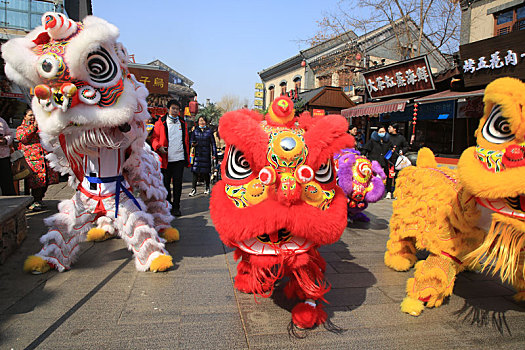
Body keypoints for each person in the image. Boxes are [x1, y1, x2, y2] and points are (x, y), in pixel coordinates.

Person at [151, 100, 190, 217]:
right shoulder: (161, 123)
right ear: (168, 109)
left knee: (178, 184)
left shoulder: (183, 123)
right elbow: (154, 139)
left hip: (179, 158)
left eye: (177, 109)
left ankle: (176, 207)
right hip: (165, 160)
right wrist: (159, 147)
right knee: (166, 185)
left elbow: (186, 141)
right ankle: (168, 205)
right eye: (173, 108)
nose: (175, 111)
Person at [16, 109, 58, 210]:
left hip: (44, 158)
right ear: (25, 117)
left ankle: (39, 199)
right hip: (32, 160)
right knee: (36, 181)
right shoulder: (22, 128)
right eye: (30, 115)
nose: (33, 117)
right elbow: (23, 138)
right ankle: (34, 200)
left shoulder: (41, 126)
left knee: (47, 180)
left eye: (34, 115)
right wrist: (33, 127)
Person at [362, 126, 393, 197]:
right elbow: (365, 149)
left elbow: (391, 150)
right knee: (372, 178)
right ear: (377, 132)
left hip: (384, 162)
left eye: (383, 132)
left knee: (384, 178)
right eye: (380, 132)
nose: (382, 133)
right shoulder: (372, 141)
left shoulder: (388, 142)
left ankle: (386, 192)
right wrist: (363, 155)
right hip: (374, 162)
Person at [189, 116, 217, 196]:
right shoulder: (195, 131)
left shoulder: (209, 131)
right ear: (198, 122)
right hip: (197, 154)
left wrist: (214, 154)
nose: (202, 122)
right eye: (200, 120)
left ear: (206, 122)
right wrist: (192, 143)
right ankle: (193, 189)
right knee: (195, 171)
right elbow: (191, 140)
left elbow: (213, 144)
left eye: (203, 120)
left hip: (206, 154)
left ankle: (207, 187)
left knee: (206, 172)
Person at [387, 123, 409, 198]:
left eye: (390, 127)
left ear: (395, 129)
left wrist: (402, 151)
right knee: (389, 176)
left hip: (398, 160)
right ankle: (389, 192)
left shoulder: (401, 138)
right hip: (389, 159)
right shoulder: (387, 137)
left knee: (398, 176)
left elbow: (406, 146)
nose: (389, 129)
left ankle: (397, 192)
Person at [0, 115, 15, 195]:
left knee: (7, 183)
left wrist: (5, 140)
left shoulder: (1, 121)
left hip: (3, 157)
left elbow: (10, 134)